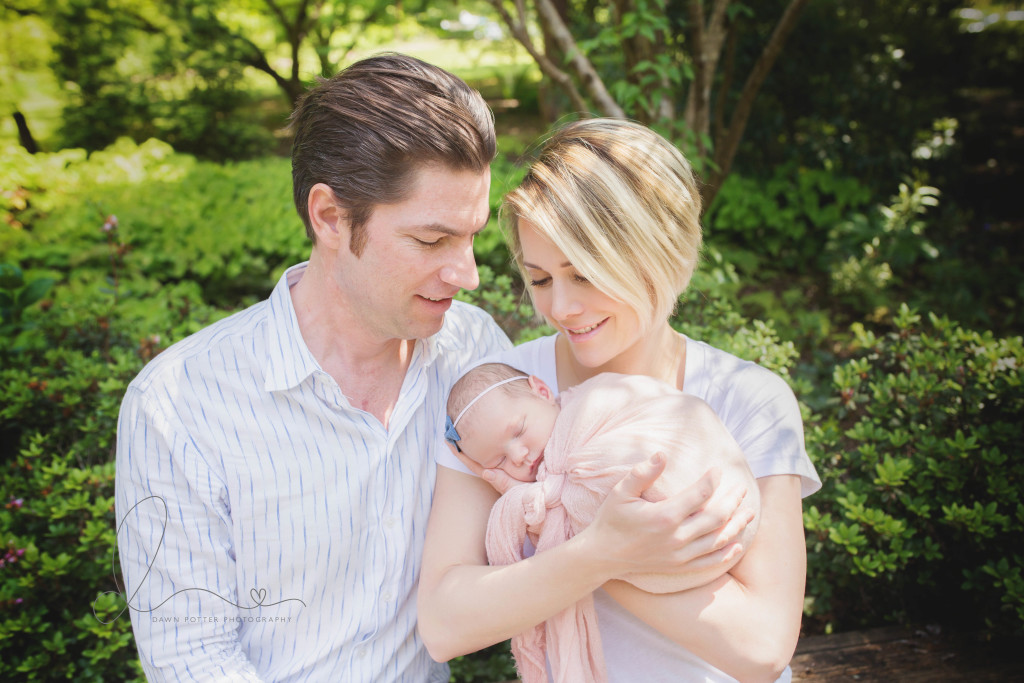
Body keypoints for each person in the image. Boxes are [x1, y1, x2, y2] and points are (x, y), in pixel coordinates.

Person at [114, 53, 510, 682]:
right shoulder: (177, 404)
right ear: (329, 216)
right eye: (432, 241)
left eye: (472, 237)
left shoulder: (474, 353)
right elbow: (191, 659)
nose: (468, 274)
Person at [418, 118, 821, 683]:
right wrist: (599, 551)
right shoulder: (505, 398)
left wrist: (573, 541)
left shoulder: (745, 400)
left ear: (664, 251)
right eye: (539, 279)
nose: (561, 308)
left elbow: (759, 647)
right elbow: (443, 622)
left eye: (584, 275)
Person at [444, 361, 761, 682]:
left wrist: (535, 498)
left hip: (721, 505)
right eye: (498, 460)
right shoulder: (551, 484)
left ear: (542, 391)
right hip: (701, 551)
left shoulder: (594, 402)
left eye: (519, 430)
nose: (518, 455)